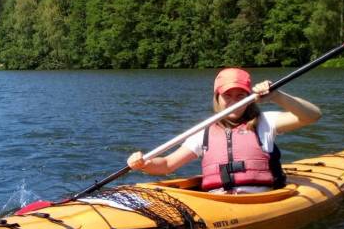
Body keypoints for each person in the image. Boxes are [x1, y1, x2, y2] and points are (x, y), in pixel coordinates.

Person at [126, 68, 322, 194]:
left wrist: (277, 96)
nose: (234, 101)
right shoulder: (203, 132)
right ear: (217, 98)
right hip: (218, 205)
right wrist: (144, 163)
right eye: (227, 95)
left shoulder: (264, 122)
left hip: (260, 201)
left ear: (250, 97)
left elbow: (312, 116)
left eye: (240, 95)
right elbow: (167, 165)